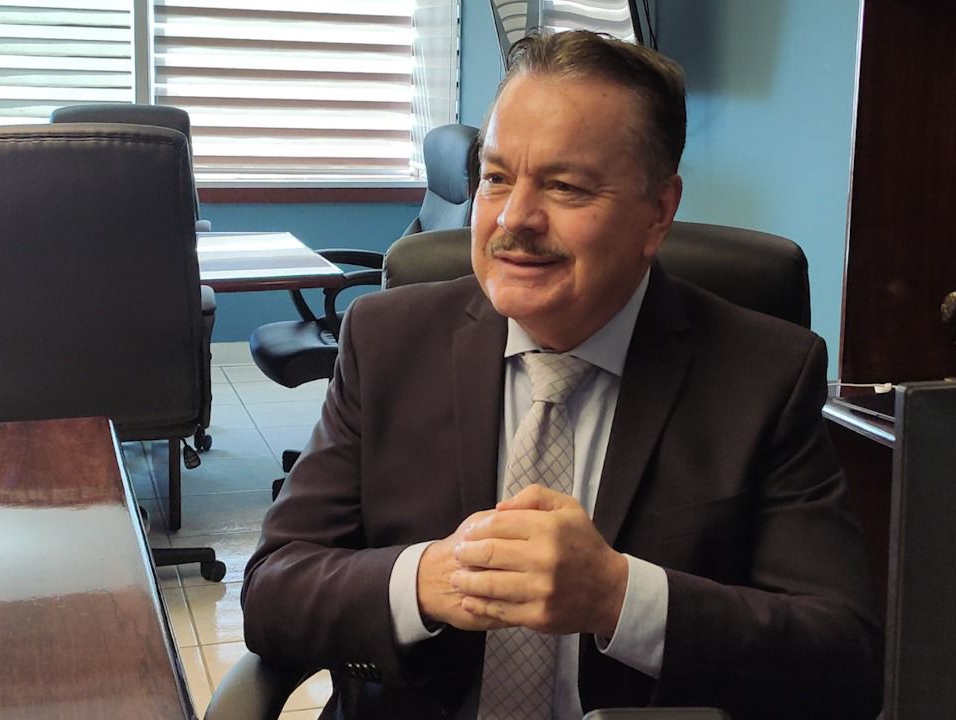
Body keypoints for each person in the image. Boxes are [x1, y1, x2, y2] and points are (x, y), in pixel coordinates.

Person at [242, 30, 882, 720]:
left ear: (658, 213)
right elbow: (275, 589)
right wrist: (426, 580)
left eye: (565, 186)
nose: (514, 219)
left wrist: (619, 596)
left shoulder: (765, 375)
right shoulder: (386, 341)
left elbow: (843, 660)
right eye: (495, 178)